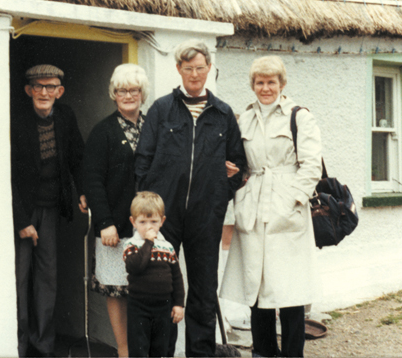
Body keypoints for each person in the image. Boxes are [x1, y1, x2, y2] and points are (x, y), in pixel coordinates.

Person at [134, 39, 247, 357]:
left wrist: (218, 195)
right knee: (162, 287)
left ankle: (200, 353)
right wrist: (148, 208)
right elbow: (143, 160)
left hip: (205, 217)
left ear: (209, 69)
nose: (194, 74)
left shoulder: (223, 114)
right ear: (178, 70)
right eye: (188, 68)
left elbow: (239, 167)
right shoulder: (161, 109)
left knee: (202, 291)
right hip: (165, 217)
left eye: (200, 68)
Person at [220, 56, 322, 357]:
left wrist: (293, 201)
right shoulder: (246, 118)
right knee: (256, 285)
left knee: (290, 289)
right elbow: (239, 160)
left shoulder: (299, 116)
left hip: (286, 209)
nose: (266, 88)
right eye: (260, 82)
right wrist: (234, 172)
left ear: (282, 83)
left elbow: (312, 166)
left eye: (271, 82)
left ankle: (292, 353)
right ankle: (263, 352)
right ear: (253, 85)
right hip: (252, 208)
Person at [11, 64, 88, 357]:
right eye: (38, 86)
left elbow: (77, 157)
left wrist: (81, 190)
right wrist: (21, 221)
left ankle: (43, 345)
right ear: (29, 90)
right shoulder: (17, 120)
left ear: (60, 91)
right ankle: (18, 345)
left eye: (51, 87)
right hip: (24, 211)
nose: (44, 92)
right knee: (19, 279)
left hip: (52, 210)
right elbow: (9, 175)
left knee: (47, 279)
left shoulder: (65, 116)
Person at [82, 63, 149, 357]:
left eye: (134, 89)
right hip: (114, 228)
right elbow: (93, 180)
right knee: (116, 290)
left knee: (145, 289)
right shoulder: (103, 131)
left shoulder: (153, 128)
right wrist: (105, 222)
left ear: (142, 93)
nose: (128, 95)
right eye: (122, 90)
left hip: (148, 227)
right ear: (114, 93)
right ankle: (124, 351)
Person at [123, 191, 185, 358]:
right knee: (139, 348)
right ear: (133, 222)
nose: (148, 226)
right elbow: (135, 267)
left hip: (163, 307)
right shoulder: (131, 245)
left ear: (162, 221)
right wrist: (149, 242)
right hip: (139, 306)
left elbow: (177, 278)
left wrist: (179, 304)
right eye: (142, 222)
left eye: (153, 221)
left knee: (161, 349)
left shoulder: (167, 247)